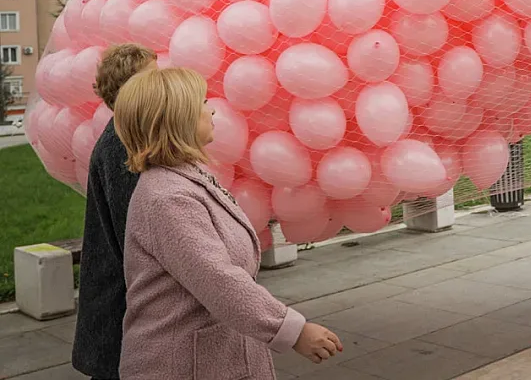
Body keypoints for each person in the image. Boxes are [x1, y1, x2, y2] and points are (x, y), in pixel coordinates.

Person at [114, 66, 343, 379]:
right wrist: (293, 330)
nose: (211, 110)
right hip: (182, 366)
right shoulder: (168, 197)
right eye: (202, 103)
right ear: (177, 118)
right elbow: (218, 280)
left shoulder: (185, 178)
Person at [73, 43, 157, 380]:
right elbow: (134, 235)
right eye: (152, 78)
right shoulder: (120, 147)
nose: (161, 86)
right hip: (119, 305)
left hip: (123, 303)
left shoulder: (129, 137)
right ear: (129, 89)